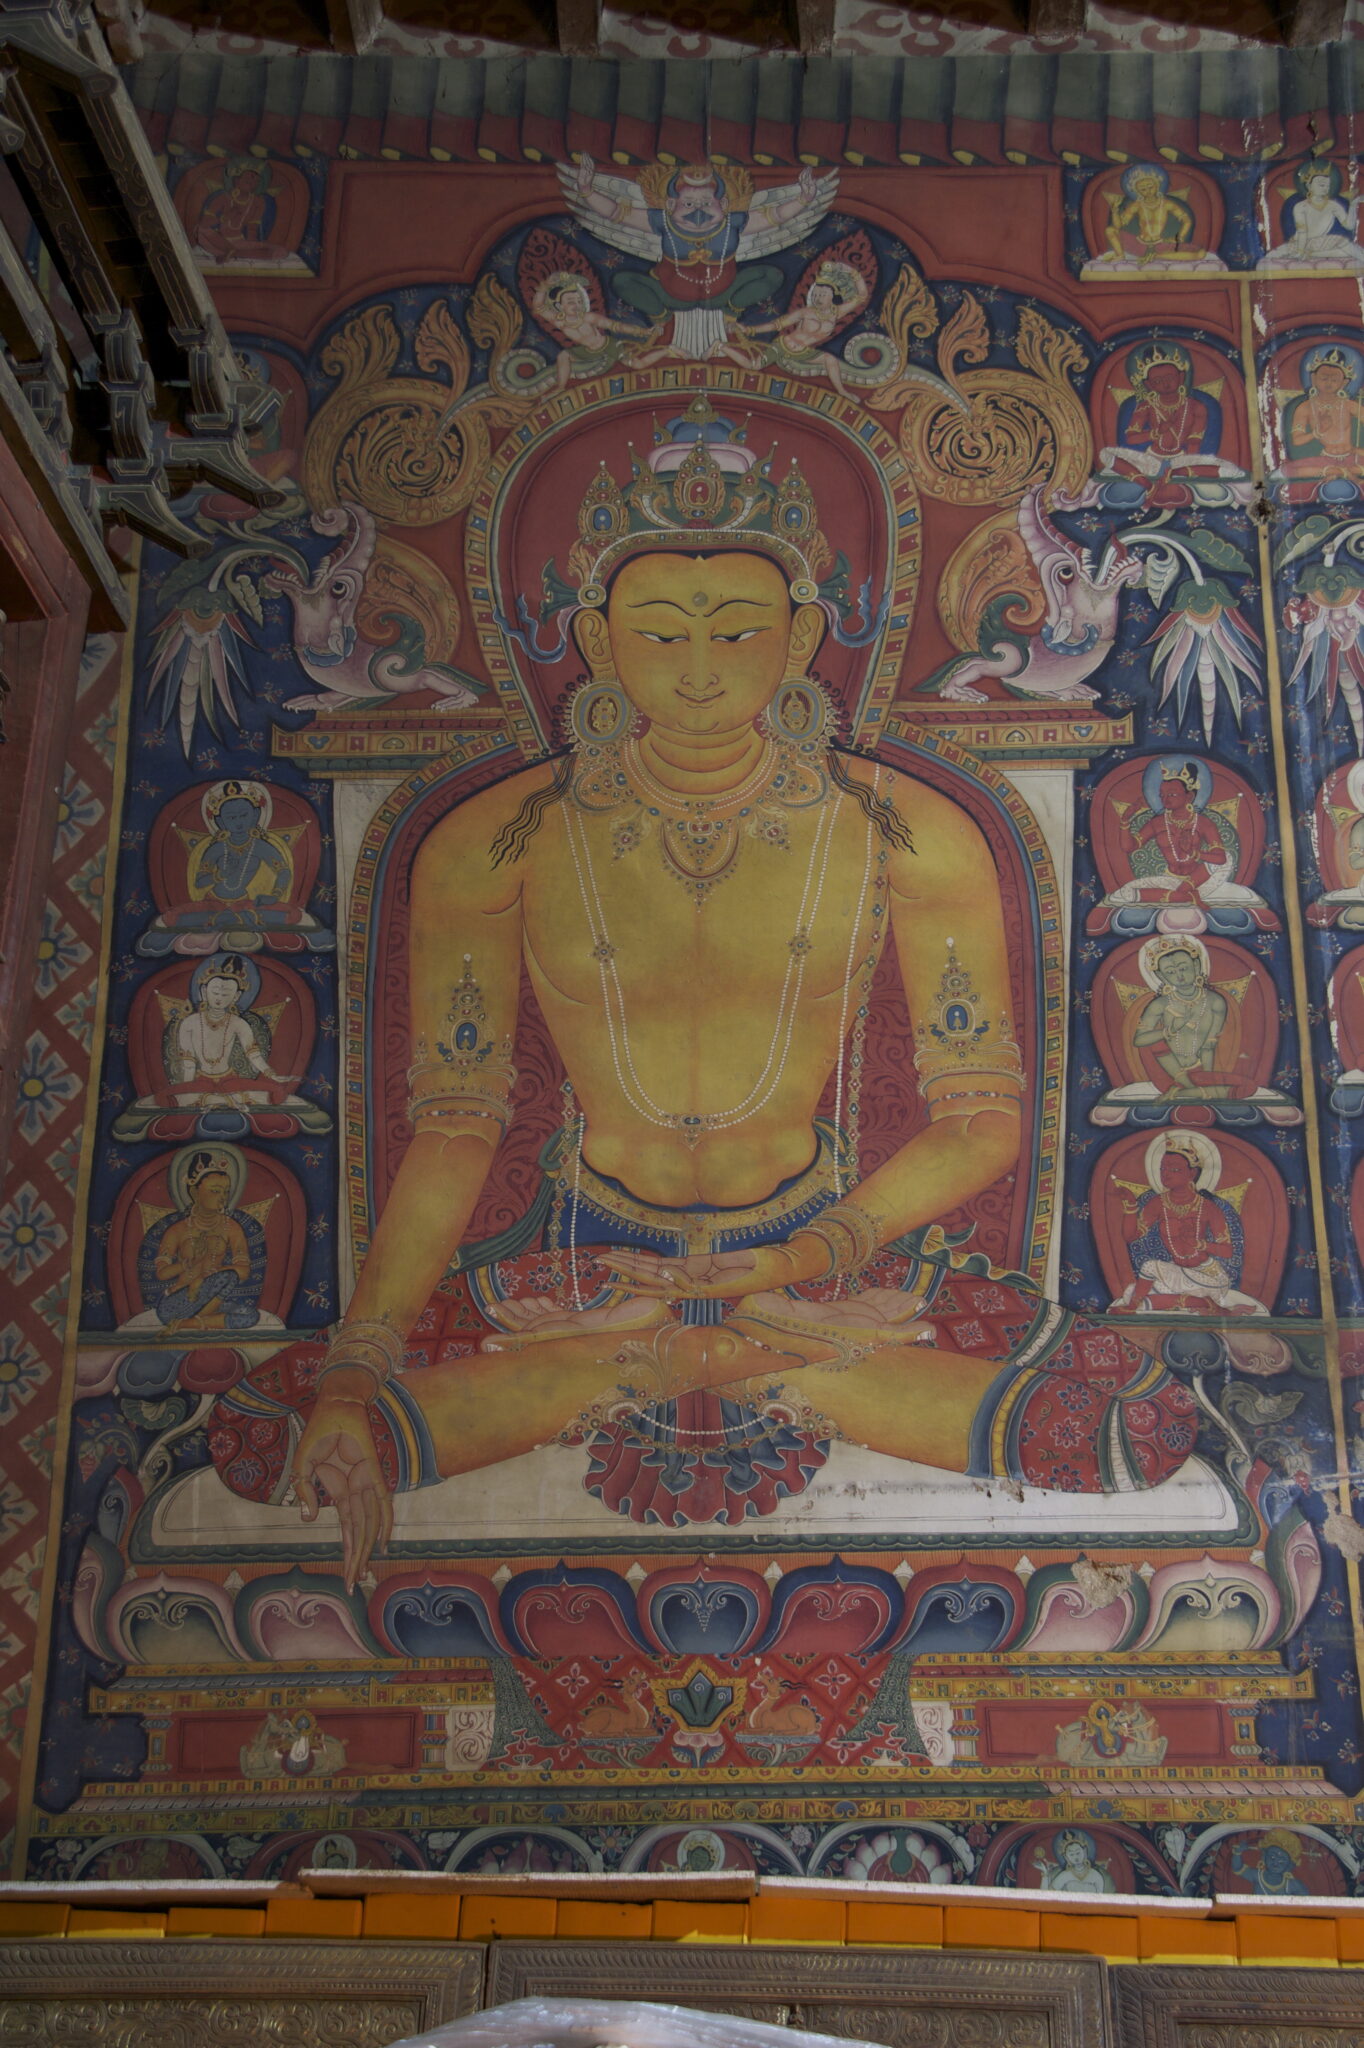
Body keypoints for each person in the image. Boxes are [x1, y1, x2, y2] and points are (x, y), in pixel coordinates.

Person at [208, 397, 1199, 1584]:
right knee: (273, 1432)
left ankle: (689, 1358)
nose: (691, 673)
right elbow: (455, 1126)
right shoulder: (496, 840)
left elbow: (982, 1117)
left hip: (826, 1255)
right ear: (592, 637)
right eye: (657, 633)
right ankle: (721, 1357)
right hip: (584, 1264)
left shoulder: (904, 830)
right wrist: (358, 1371)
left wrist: (798, 1262)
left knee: (1132, 1416)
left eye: (733, 634)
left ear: (799, 637)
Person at [1112, 1134, 1267, 1316]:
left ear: (1192, 1174)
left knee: (1148, 1268)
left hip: (1208, 1277)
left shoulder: (1209, 1208)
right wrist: (1131, 1206)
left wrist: (1201, 1245)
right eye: (1162, 1169)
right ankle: (1204, 1304)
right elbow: (1131, 1236)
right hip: (1178, 1273)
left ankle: (1133, 1308)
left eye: (1174, 1169)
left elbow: (1227, 1251)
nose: (1165, 1174)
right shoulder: (1157, 1204)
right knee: (1131, 1291)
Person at [1104, 760, 1266, 919]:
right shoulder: (1157, 823)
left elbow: (1220, 858)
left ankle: (1182, 893)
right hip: (1169, 879)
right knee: (1124, 893)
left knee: (1227, 858)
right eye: (1162, 795)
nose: (1165, 799)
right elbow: (1128, 847)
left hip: (1201, 882)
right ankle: (1187, 897)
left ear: (1189, 796)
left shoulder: (1203, 823)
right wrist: (1125, 821)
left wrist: (1194, 853)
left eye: (1172, 794)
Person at [1132, 939, 1231, 1097]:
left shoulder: (1215, 1002)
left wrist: (1207, 1079)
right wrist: (1171, 1029)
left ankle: (1182, 1093)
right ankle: (1189, 1090)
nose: (1179, 976)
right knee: (1155, 1042)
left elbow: (1209, 1046)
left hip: (1201, 1069)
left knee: (1245, 1088)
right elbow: (1138, 1040)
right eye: (1170, 972)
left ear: (1197, 966)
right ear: (1161, 976)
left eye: (1184, 968)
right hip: (1168, 1072)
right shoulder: (1160, 1004)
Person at [1259, 165, 1364, 272]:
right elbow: (1302, 232)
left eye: (1327, 186)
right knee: (1271, 256)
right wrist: (1300, 251)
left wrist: (1353, 206)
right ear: (1309, 186)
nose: (1325, 188)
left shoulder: (1333, 205)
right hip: (1300, 243)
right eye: (1321, 185)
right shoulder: (1301, 207)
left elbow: (1349, 225)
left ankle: (1314, 254)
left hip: (1322, 243)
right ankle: (1311, 254)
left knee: (1345, 245)